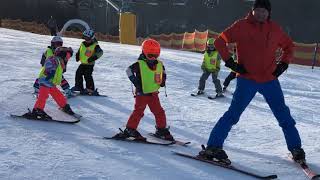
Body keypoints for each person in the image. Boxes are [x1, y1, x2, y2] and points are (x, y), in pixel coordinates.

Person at [199, 0, 305, 165]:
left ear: (269, 13)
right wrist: (231, 63)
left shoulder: (275, 29)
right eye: (258, 10)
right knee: (233, 115)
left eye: (264, 11)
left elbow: (289, 47)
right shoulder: (241, 26)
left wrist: (283, 65)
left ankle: (296, 149)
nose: (261, 14)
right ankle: (213, 147)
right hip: (247, 80)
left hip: (270, 81)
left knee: (284, 116)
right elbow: (220, 41)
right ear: (253, 11)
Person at [113, 39, 174, 141]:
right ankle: (130, 129)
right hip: (142, 93)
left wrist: (163, 80)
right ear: (144, 52)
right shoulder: (139, 64)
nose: (153, 58)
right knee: (139, 111)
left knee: (159, 111)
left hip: (154, 93)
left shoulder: (159, 64)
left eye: (156, 55)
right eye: (150, 55)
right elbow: (128, 71)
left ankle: (161, 129)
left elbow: (163, 71)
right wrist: (136, 82)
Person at [24, 47, 75, 119]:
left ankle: (64, 106)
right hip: (45, 80)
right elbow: (48, 63)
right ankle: (38, 110)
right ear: (62, 55)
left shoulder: (60, 62)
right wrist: (50, 71)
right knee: (43, 96)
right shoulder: (54, 59)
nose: (67, 59)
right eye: (67, 57)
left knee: (58, 95)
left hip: (51, 82)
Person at [71, 29, 103, 95]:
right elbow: (80, 50)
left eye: (88, 38)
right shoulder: (83, 44)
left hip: (90, 64)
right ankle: (79, 86)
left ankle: (90, 89)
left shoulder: (95, 45)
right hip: (83, 63)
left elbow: (100, 52)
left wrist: (93, 58)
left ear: (92, 38)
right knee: (78, 73)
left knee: (87, 75)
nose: (86, 40)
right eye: (85, 38)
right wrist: (77, 55)